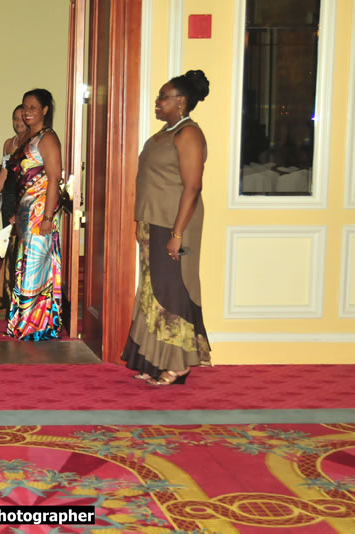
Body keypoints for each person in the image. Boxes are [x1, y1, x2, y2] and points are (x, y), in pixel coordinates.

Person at [121, 69, 212, 386]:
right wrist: (141, 222)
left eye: (164, 97)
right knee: (152, 292)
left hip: (176, 224)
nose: (158, 102)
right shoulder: (165, 133)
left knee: (172, 291)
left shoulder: (189, 134)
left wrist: (177, 234)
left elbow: (192, 187)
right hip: (154, 222)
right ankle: (153, 359)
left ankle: (178, 364)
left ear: (181, 101)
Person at [5, 89, 63, 340]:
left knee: (35, 266)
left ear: (45, 110)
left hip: (41, 212)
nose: (27, 112)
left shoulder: (47, 138)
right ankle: (22, 321)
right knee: (23, 264)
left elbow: (54, 178)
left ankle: (36, 325)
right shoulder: (29, 137)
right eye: (25, 107)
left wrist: (48, 217)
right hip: (25, 211)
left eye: (33, 107)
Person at [0, 104, 29, 308]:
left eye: (22, 118)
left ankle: (23, 291)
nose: (18, 122)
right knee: (9, 245)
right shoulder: (8, 143)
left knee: (22, 245)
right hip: (9, 196)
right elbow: (4, 173)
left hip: (25, 197)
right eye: (15, 118)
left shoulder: (33, 143)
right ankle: (9, 290)